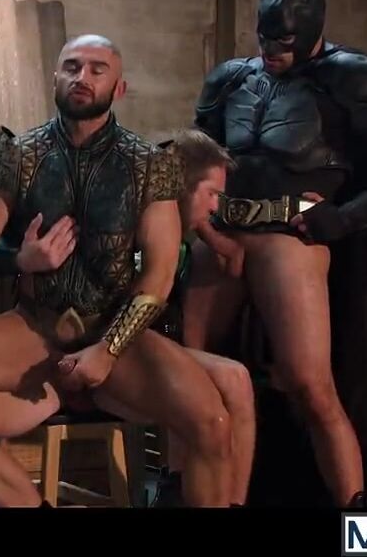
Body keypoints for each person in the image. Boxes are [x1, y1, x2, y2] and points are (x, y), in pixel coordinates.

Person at [0, 34, 238, 508]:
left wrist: (108, 351)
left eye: (97, 69)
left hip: (112, 332)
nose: (82, 77)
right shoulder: (18, 154)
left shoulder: (151, 165)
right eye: (72, 67)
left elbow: (157, 276)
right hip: (36, 327)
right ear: (55, 78)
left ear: (119, 88)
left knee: (212, 422)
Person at [185, 0, 367, 508]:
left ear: (312, 29)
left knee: (311, 387)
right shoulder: (232, 79)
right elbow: (197, 160)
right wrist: (197, 218)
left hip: (292, 242)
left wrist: (345, 217)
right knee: (190, 379)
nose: (272, 51)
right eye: (265, 39)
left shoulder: (354, 77)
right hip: (223, 238)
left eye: (285, 41)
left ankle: (358, 516)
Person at [144, 128, 254, 507]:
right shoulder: (144, 225)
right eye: (211, 194)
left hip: (155, 345)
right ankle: (179, 489)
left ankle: (213, 497)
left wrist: (208, 231)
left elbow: (233, 258)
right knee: (229, 379)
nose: (215, 206)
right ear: (182, 186)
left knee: (222, 379)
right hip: (117, 349)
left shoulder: (177, 233)